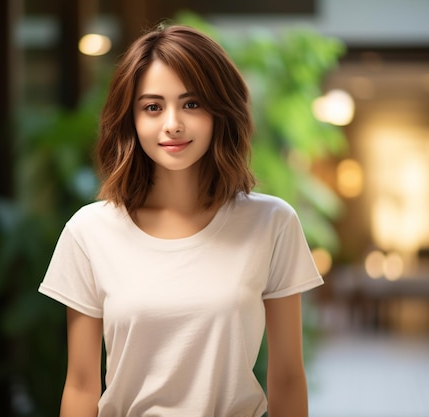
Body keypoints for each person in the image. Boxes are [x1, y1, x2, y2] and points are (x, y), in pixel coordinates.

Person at [39, 24, 323, 417]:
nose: (172, 123)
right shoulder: (89, 232)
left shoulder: (271, 223)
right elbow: (82, 385)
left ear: (220, 111)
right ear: (131, 119)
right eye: (153, 107)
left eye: (191, 104)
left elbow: (288, 376)